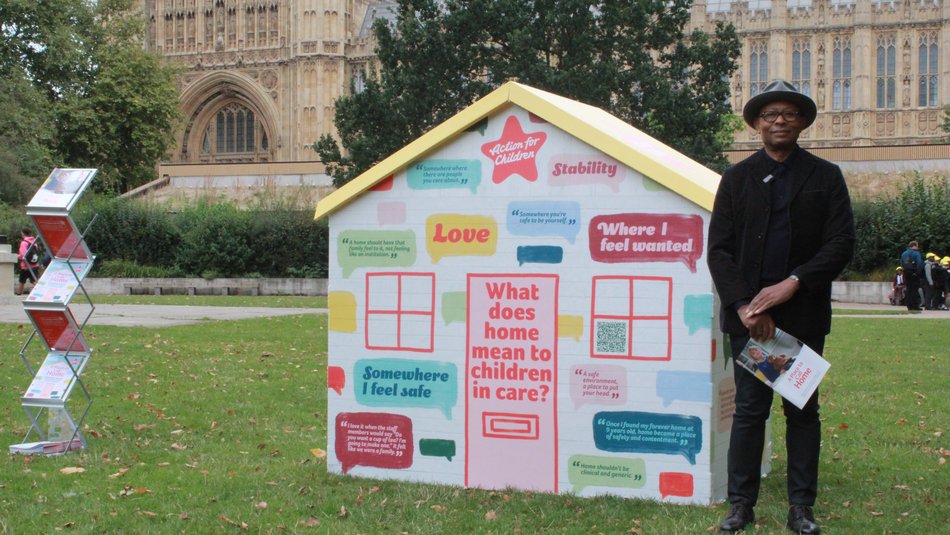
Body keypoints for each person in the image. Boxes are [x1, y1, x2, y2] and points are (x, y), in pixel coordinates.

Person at [708, 80, 855, 534]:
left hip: (802, 313)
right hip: (751, 321)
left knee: (802, 411)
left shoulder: (826, 176)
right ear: (756, 124)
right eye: (770, 114)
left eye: (789, 114)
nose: (779, 121)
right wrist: (744, 306)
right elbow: (720, 250)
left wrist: (793, 283)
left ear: (803, 122)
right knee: (750, 411)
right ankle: (741, 506)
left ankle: (800, 509)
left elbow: (841, 243)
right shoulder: (735, 178)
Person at [16, 228, 41, 296]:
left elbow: (23, 255)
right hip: (34, 265)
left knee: (22, 279)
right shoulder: (34, 242)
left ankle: (19, 292)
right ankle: (40, 290)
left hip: (26, 265)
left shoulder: (24, 243)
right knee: (34, 280)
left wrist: (17, 256)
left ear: (23, 233)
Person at [900, 241, 924, 310]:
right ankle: (915, 305)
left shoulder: (904, 253)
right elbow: (919, 264)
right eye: (917, 245)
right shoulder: (916, 253)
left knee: (908, 289)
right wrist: (917, 272)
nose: (918, 247)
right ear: (914, 245)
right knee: (914, 289)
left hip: (906, 272)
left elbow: (901, 263)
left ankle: (909, 305)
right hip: (914, 272)